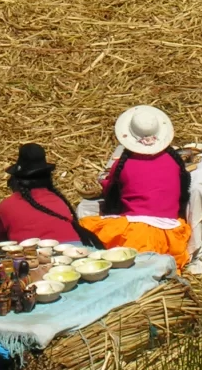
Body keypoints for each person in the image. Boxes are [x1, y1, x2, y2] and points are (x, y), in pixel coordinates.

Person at [78, 105, 194, 269]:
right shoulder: (174, 161)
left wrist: (103, 182)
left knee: (83, 222)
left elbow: (110, 190)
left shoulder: (123, 164)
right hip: (169, 236)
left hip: (134, 235)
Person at [0, 143, 89, 245]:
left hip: (35, 256)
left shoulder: (7, 206)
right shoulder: (59, 201)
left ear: (16, 180)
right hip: (75, 250)